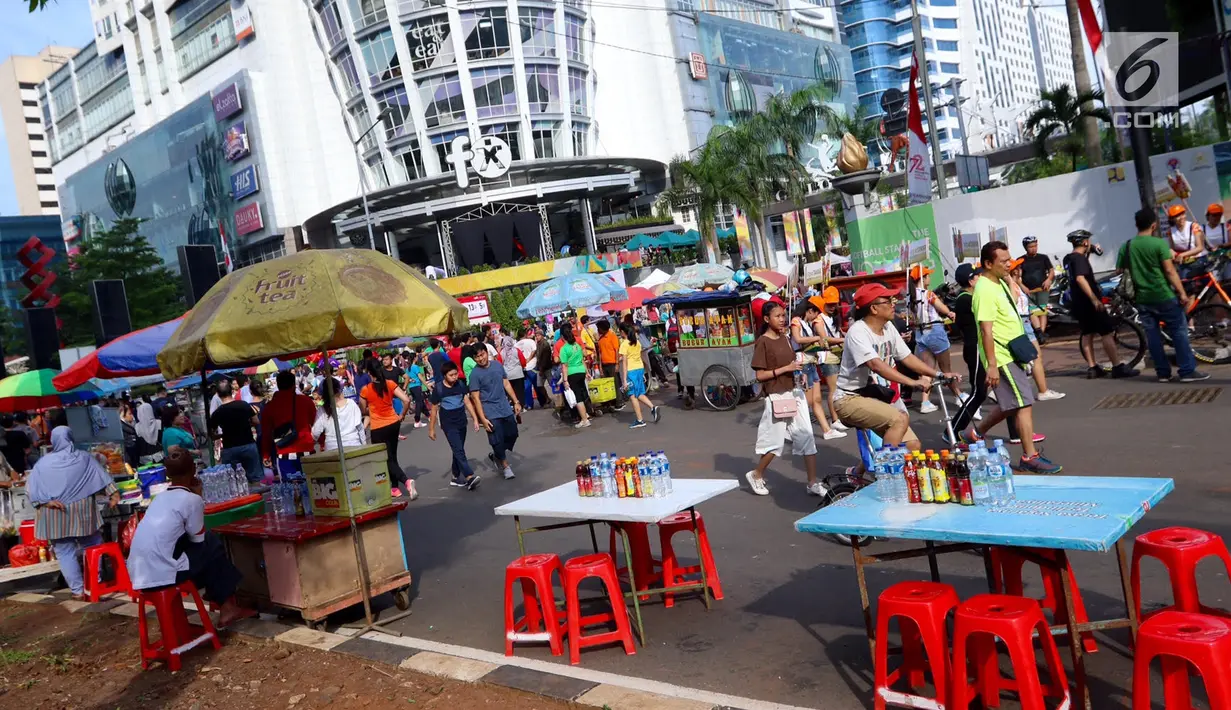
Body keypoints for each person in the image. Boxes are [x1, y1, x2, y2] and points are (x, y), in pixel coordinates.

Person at [128, 446, 252, 627]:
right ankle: (227, 604)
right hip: (163, 573)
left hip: (138, 574)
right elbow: (198, 540)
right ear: (193, 470)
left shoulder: (160, 499)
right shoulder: (191, 500)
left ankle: (223, 600)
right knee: (211, 543)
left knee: (207, 553)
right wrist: (199, 496)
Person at [967, 241, 1062, 473]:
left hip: (1013, 350)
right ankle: (1030, 457)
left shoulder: (998, 281)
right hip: (1001, 355)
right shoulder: (984, 290)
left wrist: (1009, 278)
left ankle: (976, 432)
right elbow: (986, 330)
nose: (1009, 264)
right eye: (1003, 261)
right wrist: (991, 365)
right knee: (1024, 402)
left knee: (1011, 404)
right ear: (988, 264)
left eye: (1009, 259)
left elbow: (1013, 299)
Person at [831, 283, 957, 455]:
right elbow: (876, 365)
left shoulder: (888, 328)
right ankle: (887, 475)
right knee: (899, 419)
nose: (893, 304)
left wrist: (939, 374)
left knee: (912, 446)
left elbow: (907, 357)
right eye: (888, 301)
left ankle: (870, 470)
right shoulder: (857, 332)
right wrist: (912, 382)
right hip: (849, 398)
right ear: (874, 309)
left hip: (875, 394)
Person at [26, 427, 119, 600]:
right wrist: (113, 493)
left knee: (64, 552)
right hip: (82, 510)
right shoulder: (83, 458)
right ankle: (95, 584)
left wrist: (47, 502)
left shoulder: (42, 463)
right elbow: (101, 476)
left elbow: (31, 489)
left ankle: (77, 591)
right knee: (92, 545)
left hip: (54, 511)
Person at [1117, 208, 1210, 382]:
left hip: (1142, 298)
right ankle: (1187, 371)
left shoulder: (1127, 246)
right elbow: (1169, 271)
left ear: (1137, 225)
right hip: (1163, 294)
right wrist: (1182, 294)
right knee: (1179, 332)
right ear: (1154, 225)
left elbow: (1120, 269)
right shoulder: (1159, 244)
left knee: (1152, 335)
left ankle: (1162, 373)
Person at [744, 300, 821, 497]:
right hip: (777, 396)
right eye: (777, 316)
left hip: (795, 392)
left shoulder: (786, 338)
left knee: (807, 437)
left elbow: (791, 362)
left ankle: (812, 482)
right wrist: (785, 369)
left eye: (783, 315)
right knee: (775, 443)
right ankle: (757, 473)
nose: (782, 319)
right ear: (767, 319)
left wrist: (799, 372)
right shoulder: (763, 342)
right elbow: (760, 376)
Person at [1063, 229, 1138, 379]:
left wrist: (1089, 252)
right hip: (1089, 302)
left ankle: (1092, 367)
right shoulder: (1080, 259)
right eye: (1088, 241)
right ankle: (1117, 366)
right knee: (1106, 332)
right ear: (1085, 242)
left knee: (1087, 333)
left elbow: (1079, 272)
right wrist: (1094, 299)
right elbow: (1080, 278)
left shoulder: (1068, 258)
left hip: (1078, 302)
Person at [909, 264, 965, 414]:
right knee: (946, 369)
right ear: (923, 278)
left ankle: (925, 402)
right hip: (935, 331)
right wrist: (950, 313)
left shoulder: (911, 297)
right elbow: (942, 308)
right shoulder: (928, 294)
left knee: (928, 370)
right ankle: (959, 396)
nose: (930, 278)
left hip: (920, 334)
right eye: (927, 275)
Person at [1009, 260, 1065, 403]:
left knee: (1028, 358)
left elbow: (1028, 310)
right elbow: (1016, 306)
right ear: (1015, 271)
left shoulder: (1017, 285)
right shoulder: (1010, 286)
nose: (1021, 269)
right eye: (1019, 267)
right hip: (1020, 323)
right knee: (1034, 357)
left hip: (1025, 322)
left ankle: (1040, 390)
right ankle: (1043, 391)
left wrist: (1039, 329)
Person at [359, 358, 414, 499]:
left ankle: (406, 481)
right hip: (393, 422)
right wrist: (401, 414)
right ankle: (395, 488)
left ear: (369, 373)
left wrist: (371, 410)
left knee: (385, 459)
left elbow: (363, 409)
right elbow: (406, 400)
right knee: (392, 457)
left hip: (378, 427)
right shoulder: (390, 384)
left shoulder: (365, 390)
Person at [790, 301, 844, 440]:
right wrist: (816, 338)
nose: (816, 316)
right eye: (815, 312)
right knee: (806, 402)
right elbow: (797, 339)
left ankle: (827, 430)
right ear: (809, 311)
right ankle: (792, 427)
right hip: (802, 364)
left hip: (811, 362)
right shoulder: (796, 321)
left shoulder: (807, 324)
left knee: (817, 399)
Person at [468, 345, 522, 480]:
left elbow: (506, 383)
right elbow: (475, 398)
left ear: (487, 353)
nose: (480, 359)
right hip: (489, 411)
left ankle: (497, 455)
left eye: (482, 355)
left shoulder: (497, 365)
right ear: (474, 359)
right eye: (477, 357)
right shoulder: (474, 374)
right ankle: (505, 465)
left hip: (504, 407)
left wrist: (516, 401)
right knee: (496, 439)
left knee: (513, 433)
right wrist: (482, 419)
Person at [429, 361, 481, 490]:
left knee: (457, 449)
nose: (455, 377)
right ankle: (469, 476)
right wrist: (431, 429)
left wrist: (475, 419)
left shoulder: (460, 385)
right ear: (445, 375)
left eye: (456, 374)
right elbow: (434, 409)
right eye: (451, 375)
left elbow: (467, 402)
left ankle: (455, 476)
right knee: (459, 450)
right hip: (448, 424)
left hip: (461, 422)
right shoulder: (439, 389)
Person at [259, 370, 318, 478]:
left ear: (278, 384)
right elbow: (316, 423)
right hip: (307, 451)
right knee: (312, 488)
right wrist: (322, 444)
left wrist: (266, 455)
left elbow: (266, 434)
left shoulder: (269, 407)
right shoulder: (306, 401)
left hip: (284, 454)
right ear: (294, 385)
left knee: (290, 491)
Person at [208, 380, 263, 483]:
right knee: (255, 480)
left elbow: (211, 433)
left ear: (218, 394)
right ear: (231, 391)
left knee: (234, 482)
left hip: (230, 449)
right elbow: (256, 421)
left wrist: (221, 435)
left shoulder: (217, 412)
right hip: (248, 445)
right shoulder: (244, 405)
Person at [814, 288, 846, 429]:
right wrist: (841, 340)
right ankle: (835, 420)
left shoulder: (834, 317)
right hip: (827, 355)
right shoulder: (819, 319)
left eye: (834, 304)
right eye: (830, 304)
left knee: (841, 387)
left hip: (838, 353)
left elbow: (838, 332)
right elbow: (824, 338)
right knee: (833, 388)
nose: (832, 307)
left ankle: (841, 417)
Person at [619, 324, 660, 429]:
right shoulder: (637, 342)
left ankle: (640, 420)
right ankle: (652, 408)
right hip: (639, 369)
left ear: (623, 332)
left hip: (631, 370)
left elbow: (624, 362)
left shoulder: (624, 344)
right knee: (639, 393)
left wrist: (624, 380)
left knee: (632, 395)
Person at [313, 377, 368, 451]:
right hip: (354, 445)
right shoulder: (351, 404)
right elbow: (360, 428)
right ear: (339, 389)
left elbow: (315, 433)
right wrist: (364, 446)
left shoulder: (322, 410)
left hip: (332, 449)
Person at [1018, 235, 1054, 343]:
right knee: (1032, 311)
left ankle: (1041, 334)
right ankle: (1038, 332)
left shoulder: (1043, 258)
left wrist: (1048, 280)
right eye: (1030, 246)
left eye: (1035, 246)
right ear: (1025, 247)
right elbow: (1017, 276)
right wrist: (1022, 286)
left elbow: (1051, 270)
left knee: (1042, 311)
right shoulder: (1021, 260)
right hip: (1028, 290)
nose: (1033, 248)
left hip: (1042, 289)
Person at [559, 322, 592, 428]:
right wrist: (587, 372)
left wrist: (565, 380)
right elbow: (583, 359)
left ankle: (584, 419)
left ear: (562, 337)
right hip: (581, 371)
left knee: (578, 398)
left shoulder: (564, 349)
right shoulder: (577, 346)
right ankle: (585, 415)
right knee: (582, 394)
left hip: (572, 373)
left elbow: (564, 366)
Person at [596, 320, 625, 409]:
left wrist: (616, 364)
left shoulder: (612, 336)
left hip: (612, 364)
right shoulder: (600, 340)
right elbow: (600, 354)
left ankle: (619, 401)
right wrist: (600, 367)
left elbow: (616, 350)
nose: (598, 330)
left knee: (615, 383)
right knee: (607, 385)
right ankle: (611, 401)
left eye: (599, 328)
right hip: (604, 365)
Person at [496, 328, 526, 410]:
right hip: (518, 373)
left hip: (507, 375)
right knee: (520, 390)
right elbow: (523, 361)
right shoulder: (517, 350)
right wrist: (522, 367)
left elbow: (499, 364)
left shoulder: (501, 353)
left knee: (510, 391)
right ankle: (521, 406)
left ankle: (512, 404)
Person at [405, 351, 429, 428]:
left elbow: (407, 378)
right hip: (416, 386)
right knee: (419, 403)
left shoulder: (408, 368)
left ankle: (429, 416)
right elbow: (420, 377)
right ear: (414, 358)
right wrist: (427, 385)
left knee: (421, 401)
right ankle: (417, 420)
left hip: (411, 387)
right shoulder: (415, 367)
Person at [516, 328, 538, 409]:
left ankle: (529, 404)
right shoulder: (530, 341)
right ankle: (542, 401)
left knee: (527, 387)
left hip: (523, 368)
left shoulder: (516, 345)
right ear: (525, 334)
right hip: (532, 365)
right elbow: (534, 350)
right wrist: (529, 359)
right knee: (537, 385)